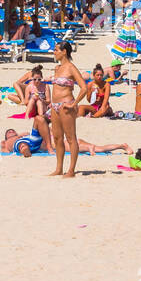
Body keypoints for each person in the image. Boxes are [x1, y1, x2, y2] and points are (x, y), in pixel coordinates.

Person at [49, 40, 92, 178]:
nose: (54, 52)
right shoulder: (57, 68)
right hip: (55, 106)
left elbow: (84, 88)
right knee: (57, 138)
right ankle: (59, 168)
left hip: (66, 105)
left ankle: (71, 170)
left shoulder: (71, 68)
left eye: (56, 50)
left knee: (71, 138)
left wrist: (74, 104)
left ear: (64, 52)